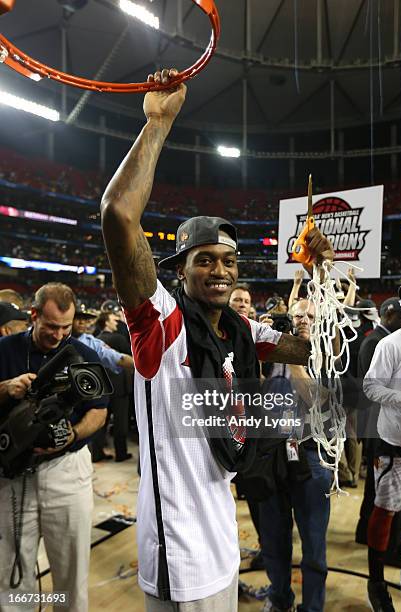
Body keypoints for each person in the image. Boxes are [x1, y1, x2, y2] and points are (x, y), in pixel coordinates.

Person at [100, 68, 334, 610]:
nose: (221, 272)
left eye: (229, 261)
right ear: (179, 269)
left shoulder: (240, 327)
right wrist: (159, 123)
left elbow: (303, 350)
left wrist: (319, 271)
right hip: (178, 551)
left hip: (221, 534)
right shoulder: (162, 321)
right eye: (205, 261)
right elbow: (117, 214)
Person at [0, 282, 108, 612]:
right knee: (11, 572)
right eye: (50, 326)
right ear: (33, 315)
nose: (59, 335)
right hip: (13, 471)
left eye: (65, 327)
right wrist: (6, 389)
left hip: (66, 469)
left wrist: (72, 434)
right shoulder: (5, 350)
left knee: (71, 573)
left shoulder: (84, 354)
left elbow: (99, 411)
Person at [260, 299, 332, 612]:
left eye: (310, 316)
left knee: (313, 545)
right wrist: (258, 345)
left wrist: (292, 356)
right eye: (298, 314)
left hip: (311, 455)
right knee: (274, 541)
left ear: (320, 321)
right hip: (272, 455)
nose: (303, 320)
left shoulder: (329, 355)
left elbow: (315, 398)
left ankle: (313, 607)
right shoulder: (269, 353)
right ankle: (279, 598)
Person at [363, 281, 401, 611]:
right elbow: (370, 387)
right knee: (385, 510)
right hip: (394, 445)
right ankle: (375, 580)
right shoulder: (391, 344)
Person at [355, 297, 401, 565]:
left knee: (376, 489)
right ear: (388, 315)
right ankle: (389, 549)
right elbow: (371, 392)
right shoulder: (376, 342)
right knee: (389, 493)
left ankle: (366, 535)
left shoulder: (380, 340)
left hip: (382, 426)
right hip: (380, 427)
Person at [72, 303, 133, 461]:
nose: (83, 323)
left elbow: (117, 357)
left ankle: (96, 453)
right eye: (78, 319)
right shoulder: (55, 339)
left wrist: (148, 367)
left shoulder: (92, 340)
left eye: (86, 320)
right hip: (109, 390)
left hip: (89, 395)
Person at [96, 311, 134, 462]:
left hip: (103, 386)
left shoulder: (96, 339)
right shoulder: (118, 338)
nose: (116, 323)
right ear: (106, 322)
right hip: (119, 386)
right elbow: (130, 356)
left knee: (101, 422)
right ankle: (121, 453)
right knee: (120, 423)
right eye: (113, 320)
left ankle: (97, 453)